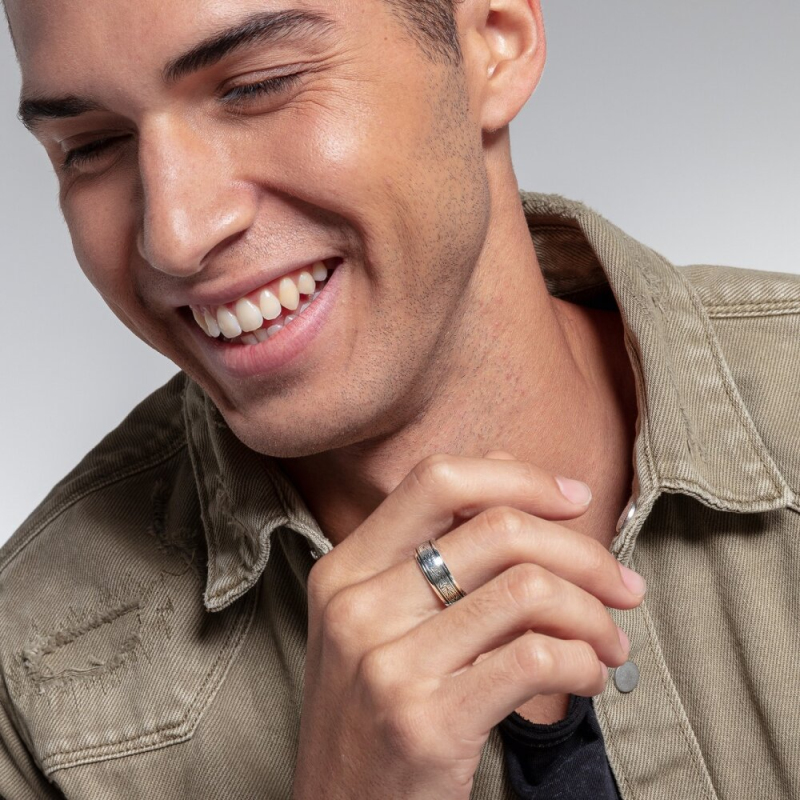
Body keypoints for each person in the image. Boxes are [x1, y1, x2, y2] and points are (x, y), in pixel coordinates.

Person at [1, 0, 798, 798]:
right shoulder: (30, 705)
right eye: (92, 146)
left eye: (257, 86)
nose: (175, 236)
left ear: (494, 39)